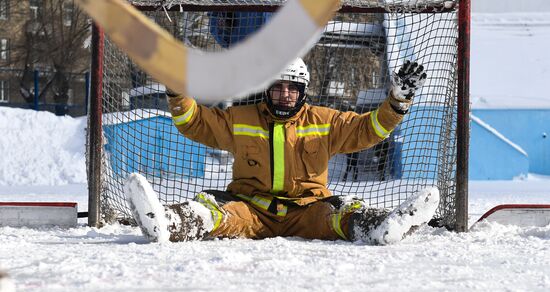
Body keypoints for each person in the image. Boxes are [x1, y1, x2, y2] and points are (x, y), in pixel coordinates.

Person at [124, 58, 439, 245]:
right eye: (277, 87)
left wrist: (398, 101)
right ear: (267, 90)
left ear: (303, 92)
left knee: (342, 213)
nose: (284, 94)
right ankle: (168, 223)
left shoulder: (324, 121)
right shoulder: (242, 118)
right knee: (213, 211)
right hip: (250, 208)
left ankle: (382, 227)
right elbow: (196, 123)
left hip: (308, 210)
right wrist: (178, 93)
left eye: (292, 89)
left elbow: (368, 129)